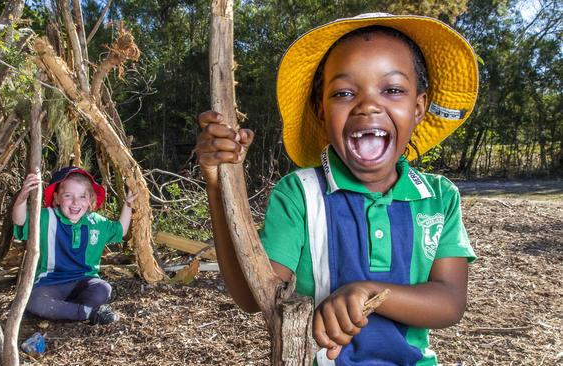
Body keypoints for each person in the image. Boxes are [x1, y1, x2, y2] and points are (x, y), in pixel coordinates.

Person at [196, 13, 478, 364]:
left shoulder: (439, 198)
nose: (368, 105)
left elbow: (450, 303)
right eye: (344, 92)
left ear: (418, 107)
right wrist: (217, 185)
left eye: (392, 90)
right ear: (320, 109)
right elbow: (254, 296)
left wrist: (368, 292)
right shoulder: (299, 195)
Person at [12, 166, 138, 325]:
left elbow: (120, 230)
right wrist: (22, 198)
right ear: (57, 198)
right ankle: (87, 312)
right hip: (51, 283)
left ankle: (64, 310)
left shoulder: (95, 222)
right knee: (36, 302)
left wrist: (127, 205)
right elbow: (19, 221)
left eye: (82, 197)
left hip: (83, 282)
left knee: (103, 289)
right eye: (68, 196)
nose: (75, 202)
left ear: (90, 199)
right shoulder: (46, 217)